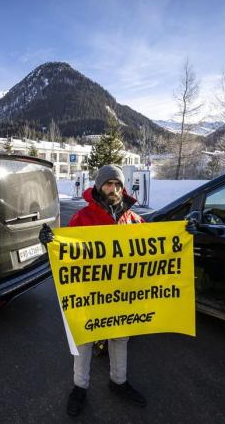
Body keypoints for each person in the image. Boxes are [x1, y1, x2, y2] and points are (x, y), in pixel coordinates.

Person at [39, 164, 146, 417]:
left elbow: (156, 244)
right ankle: (80, 387)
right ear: (99, 186)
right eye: (109, 184)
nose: (114, 189)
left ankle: (119, 382)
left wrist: (184, 234)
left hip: (121, 293)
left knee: (120, 337)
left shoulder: (133, 218)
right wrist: (49, 243)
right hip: (89, 293)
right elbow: (66, 253)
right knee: (85, 339)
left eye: (118, 184)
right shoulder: (83, 218)